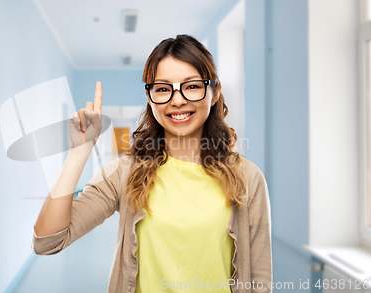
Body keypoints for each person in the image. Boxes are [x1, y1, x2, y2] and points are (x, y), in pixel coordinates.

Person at [32, 34, 272, 293]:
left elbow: (260, 279)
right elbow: (47, 241)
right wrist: (78, 153)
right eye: (162, 89)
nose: (177, 100)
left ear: (214, 93)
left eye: (191, 86)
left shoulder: (247, 177)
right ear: (150, 98)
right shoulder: (125, 173)